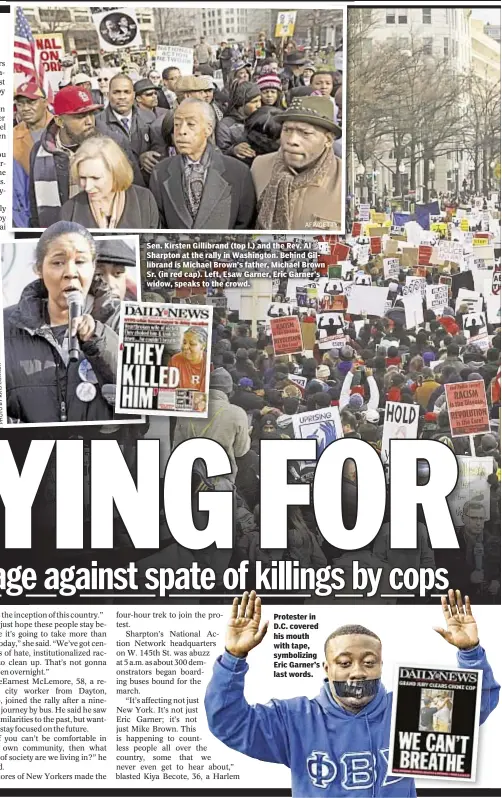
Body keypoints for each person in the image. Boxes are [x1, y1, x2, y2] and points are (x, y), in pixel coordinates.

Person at [205, 590, 499, 798]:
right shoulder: (293, 719)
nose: (357, 671)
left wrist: (469, 651)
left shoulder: (410, 711)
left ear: (382, 666)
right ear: (327, 668)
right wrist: (233, 657)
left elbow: (479, 706)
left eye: (369, 662)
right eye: (344, 663)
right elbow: (229, 722)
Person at [3, 221, 119, 423]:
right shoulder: (6, 325)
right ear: (40, 269)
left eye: (81, 261)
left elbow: (146, 401)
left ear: (93, 266)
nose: (70, 272)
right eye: (58, 262)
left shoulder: (120, 319)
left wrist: (98, 340)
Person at [149, 98, 256, 230]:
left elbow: (245, 225)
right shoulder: (160, 172)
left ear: (208, 129)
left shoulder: (238, 172)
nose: (181, 131)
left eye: (191, 124)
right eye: (177, 124)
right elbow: (157, 225)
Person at [251, 96, 342, 230]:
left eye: (305, 133)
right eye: (287, 130)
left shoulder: (342, 180)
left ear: (328, 140)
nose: (292, 140)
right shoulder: (259, 167)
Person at [29, 85, 102, 228]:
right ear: (60, 121)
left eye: (91, 113)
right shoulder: (39, 151)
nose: (89, 121)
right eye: (80, 116)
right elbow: (34, 204)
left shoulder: (109, 145)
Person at [61, 135, 159, 229]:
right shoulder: (70, 210)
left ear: (116, 173)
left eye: (95, 178)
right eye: (83, 178)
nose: (87, 187)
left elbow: (155, 243)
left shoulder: (144, 200)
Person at [172, 367, 250, 480]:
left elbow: (177, 447)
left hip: (189, 477)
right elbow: (240, 451)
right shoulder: (237, 413)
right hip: (220, 480)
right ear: (230, 392)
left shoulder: (187, 410)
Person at [95, 74, 160, 185]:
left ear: (133, 95)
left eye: (126, 92)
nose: (122, 97)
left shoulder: (149, 117)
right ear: (108, 95)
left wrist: (150, 156)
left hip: (147, 186)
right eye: (116, 92)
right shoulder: (97, 123)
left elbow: (159, 147)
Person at [14, 82, 52, 176]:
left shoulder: (62, 127)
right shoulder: (12, 136)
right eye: (20, 104)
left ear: (45, 102)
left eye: (31, 102)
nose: (25, 108)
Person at [216, 82, 262, 161]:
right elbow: (220, 153)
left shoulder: (261, 119)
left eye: (259, 100)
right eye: (254, 102)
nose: (259, 105)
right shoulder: (225, 125)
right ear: (242, 103)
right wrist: (233, 150)